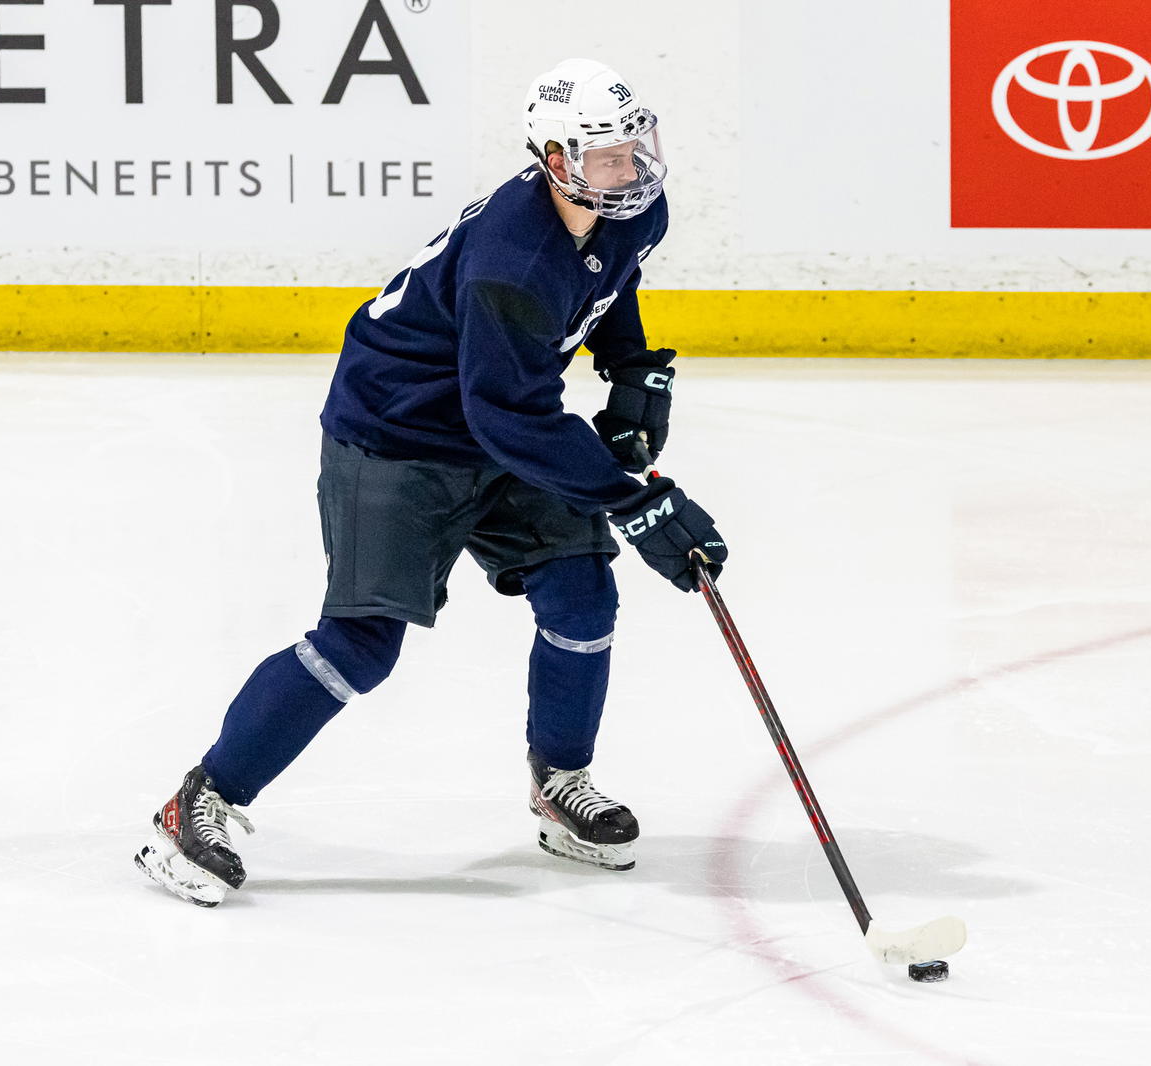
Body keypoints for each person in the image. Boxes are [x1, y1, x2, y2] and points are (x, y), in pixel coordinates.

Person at [134, 57, 728, 907]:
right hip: (397, 437)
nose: (631, 171)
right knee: (361, 644)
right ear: (556, 160)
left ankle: (559, 781)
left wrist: (633, 367)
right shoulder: (511, 259)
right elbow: (509, 416)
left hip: (498, 423)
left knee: (582, 596)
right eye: (607, 157)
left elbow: (610, 280)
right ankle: (199, 801)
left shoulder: (632, 209)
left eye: (638, 148)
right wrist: (635, 504)